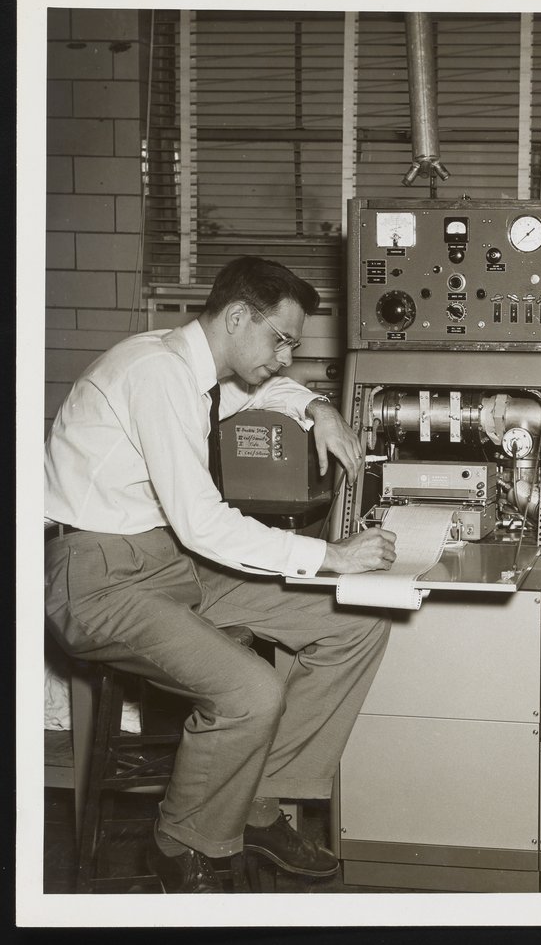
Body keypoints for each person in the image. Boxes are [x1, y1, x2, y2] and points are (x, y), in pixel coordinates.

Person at [44, 256, 398, 893]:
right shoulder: (155, 371)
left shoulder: (192, 368)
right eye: (280, 340)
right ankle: (184, 846)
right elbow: (202, 523)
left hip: (165, 567)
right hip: (99, 577)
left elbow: (263, 391)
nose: (285, 358)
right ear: (237, 317)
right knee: (251, 691)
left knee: (357, 619)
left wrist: (320, 408)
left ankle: (254, 801)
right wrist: (330, 556)